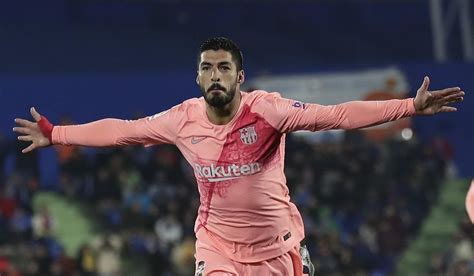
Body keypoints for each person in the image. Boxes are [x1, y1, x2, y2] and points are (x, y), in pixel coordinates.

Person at [13, 37, 465, 275]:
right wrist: (58, 134)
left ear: (239, 76)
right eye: (207, 67)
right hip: (219, 248)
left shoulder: (267, 111)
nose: (215, 74)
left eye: (224, 67)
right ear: (196, 77)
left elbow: (338, 115)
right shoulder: (182, 119)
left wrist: (409, 106)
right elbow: (123, 133)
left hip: (277, 249)